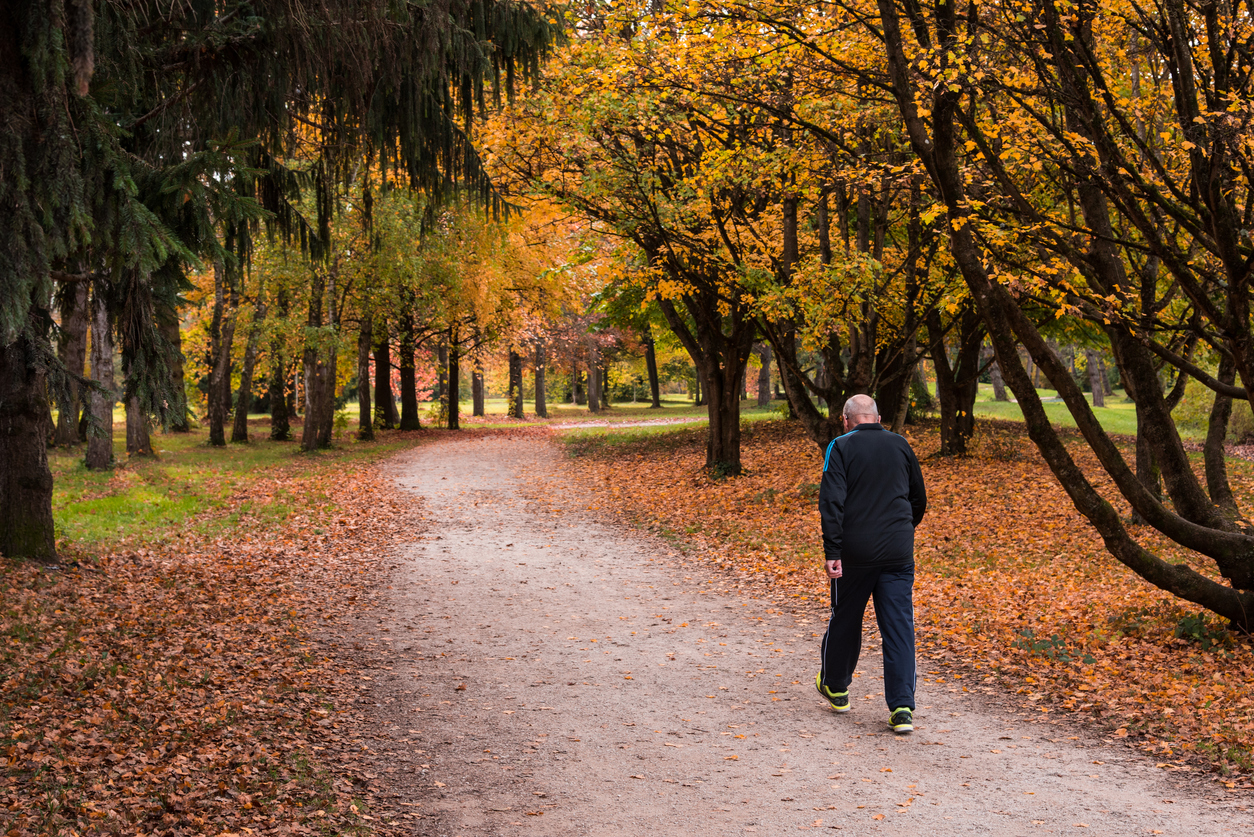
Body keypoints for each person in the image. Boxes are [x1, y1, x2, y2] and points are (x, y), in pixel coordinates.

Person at [815, 394, 927, 734]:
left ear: (846, 419)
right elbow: (918, 497)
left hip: (855, 552)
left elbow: (831, 501)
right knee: (899, 626)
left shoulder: (840, 446)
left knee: (846, 617)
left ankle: (835, 685)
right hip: (898, 551)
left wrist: (832, 551)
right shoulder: (901, 444)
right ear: (878, 417)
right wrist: (902, 531)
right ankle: (902, 707)